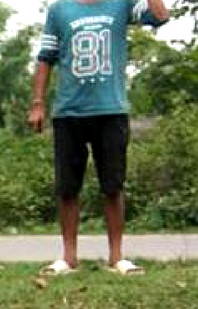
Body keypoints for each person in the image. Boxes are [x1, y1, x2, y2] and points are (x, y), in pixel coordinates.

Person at [29, 0, 170, 275]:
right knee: (67, 187)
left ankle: (116, 257)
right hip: (69, 111)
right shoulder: (59, 10)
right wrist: (37, 103)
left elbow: (160, 16)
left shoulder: (122, 4)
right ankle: (69, 258)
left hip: (111, 109)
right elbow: (46, 57)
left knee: (113, 185)